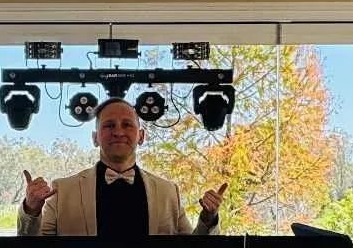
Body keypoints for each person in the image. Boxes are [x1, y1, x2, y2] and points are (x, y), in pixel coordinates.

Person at [19, 97, 226, 236]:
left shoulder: (167, 191)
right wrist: (31, 209)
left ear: (141, 136)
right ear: (95, 138)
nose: (118, 132)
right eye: (109, 125)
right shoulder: (63, 190)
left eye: (127, 125)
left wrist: (209, 218)